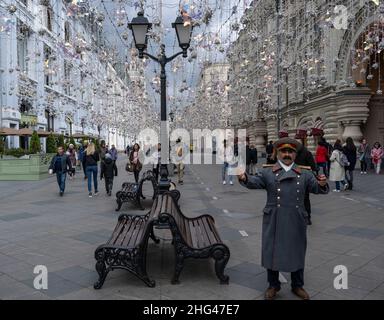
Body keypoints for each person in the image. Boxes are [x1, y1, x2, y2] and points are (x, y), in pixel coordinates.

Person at [237, 137, 329, 300]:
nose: (287, 154)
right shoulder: (268, 171)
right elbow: (254, 182)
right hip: (274, 217)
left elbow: (316, 188)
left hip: (296, 218)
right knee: (272, 250)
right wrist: (244, 177)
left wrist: (322, 184)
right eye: (284, 151)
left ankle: (297, 285)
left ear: (295, 154)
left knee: (297, 250)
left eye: (290, 152)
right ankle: (273, 285)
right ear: (277, 153)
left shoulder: (305, 173)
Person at [295, 143, 317, 226]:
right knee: (306, 198)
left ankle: (297, 216)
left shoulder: (293, 154)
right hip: (305, 178)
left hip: (294, 178)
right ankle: (307, 217)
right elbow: (313, 166)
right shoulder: (307, 153)